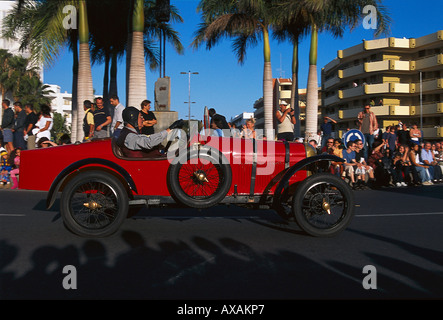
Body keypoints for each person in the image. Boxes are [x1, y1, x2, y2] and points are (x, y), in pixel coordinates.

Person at [116, 106, 184, 157]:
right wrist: (169, 129)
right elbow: (148, 142)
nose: (143, 119)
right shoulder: (129, 136)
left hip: (152, 161)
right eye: (140, 117)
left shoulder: (128, 134)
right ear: (133, 119)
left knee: (180, 152)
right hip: (145, 167)